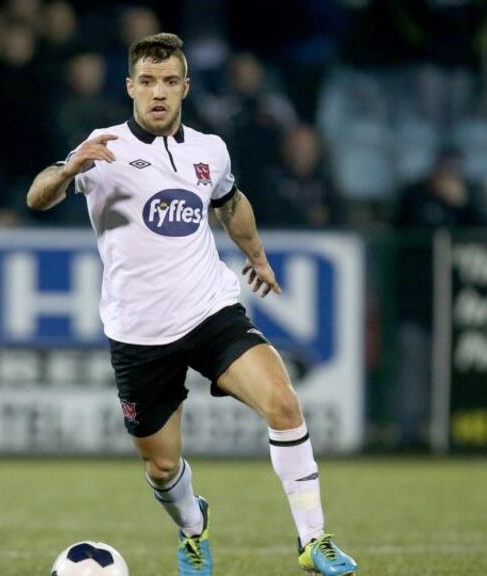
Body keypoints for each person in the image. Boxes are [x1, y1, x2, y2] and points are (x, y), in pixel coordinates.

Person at [26, 33, 358, 576]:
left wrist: (258, 256)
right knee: (161, 467)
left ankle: (314, 540)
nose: (159, 93)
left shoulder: (210, 149)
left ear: (185, 87)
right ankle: (192, 528)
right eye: (148, 83)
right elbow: (37, 196)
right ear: (131, 87)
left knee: (283, 404)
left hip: (211, 312)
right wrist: (67, 170)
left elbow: (231, 203)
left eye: (169, 82)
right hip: (138, 332)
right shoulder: (103, 147)